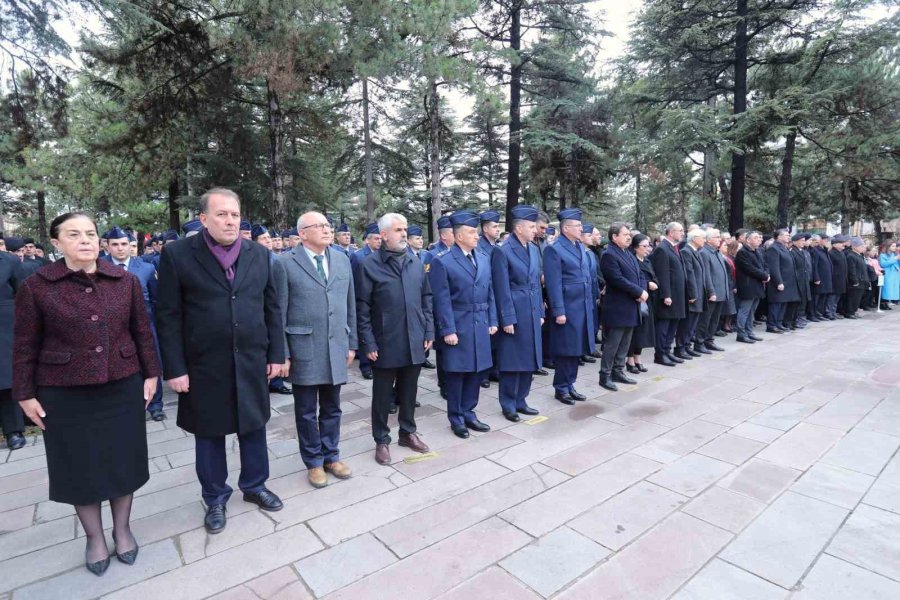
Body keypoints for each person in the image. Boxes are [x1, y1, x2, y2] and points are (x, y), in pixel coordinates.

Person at [14, 212, 160, 575]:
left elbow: (142, 331)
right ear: (56, 242)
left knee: (122, 460)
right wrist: (25, 393)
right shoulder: (37, 286)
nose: (85, 240)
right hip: (63, 393)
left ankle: (122, 529)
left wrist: (151, 373)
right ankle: (94, 537)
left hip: (122, 383)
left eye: (90, 234)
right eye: (74, 234)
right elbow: (24, 345)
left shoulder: (123, 281)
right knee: (79, 467)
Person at [156, 188, 285, 534]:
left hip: (251, 360)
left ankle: (255, 485)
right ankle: (214, 497)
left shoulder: (258, 254)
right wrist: (175, 368)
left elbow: (271, 306)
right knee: (209, 432)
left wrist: (277, 353)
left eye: (235, 214)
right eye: (222, 214)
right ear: (204, 219)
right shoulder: (178, 255)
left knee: (254, 425)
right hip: (203, 364)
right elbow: (167, 316)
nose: (230, 221)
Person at [275, 212, 356, 488]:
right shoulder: (285, 264)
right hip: (303, 348)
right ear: (303, 233)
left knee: (333, 407)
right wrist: (282, 353)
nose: (326, 230)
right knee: (307, 410)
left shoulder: (343, 260)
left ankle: (332, 455)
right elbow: (279, 313)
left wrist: (352, 343)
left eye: (327, 225)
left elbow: (350, 306)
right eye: (319, 226)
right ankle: (313, 461)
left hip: (336, 346)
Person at [356, 213, 433, 463]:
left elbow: (426, 299)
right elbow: (362, 307)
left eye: (405, 230)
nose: (403, 234)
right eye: (398, 230)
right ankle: (381, 439)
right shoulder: (369, 265)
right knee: (382, 395)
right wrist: (368, 342)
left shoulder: (414, 261)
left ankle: (407, 432)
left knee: (409, 390)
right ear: (384, 235)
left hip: (414, 338)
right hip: (385, 341)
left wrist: (428, 331)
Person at [428, 211, 497, 438]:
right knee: (458, 374)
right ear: (458, 236)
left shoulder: (484, 258)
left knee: (477, 371)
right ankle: (456, 417)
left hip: (480, 323)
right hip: (459, 324)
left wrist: (493, 319)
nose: (476, 236)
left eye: (476, 232)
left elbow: (490, 292)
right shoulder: (443, 261)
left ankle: (469, 412)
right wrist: (448, 329)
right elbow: (441, 298)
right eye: (471, 232)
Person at [102, 226, 166, 421]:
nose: (120, 248)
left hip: (145, 325)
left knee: (151, 362)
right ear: (107, 246)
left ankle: (155, 405)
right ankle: (128, 404)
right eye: (115, 245)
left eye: (124, 244)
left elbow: (156, 298)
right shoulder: (99, 266)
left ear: (131, 246)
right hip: (114, 328)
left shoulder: (146, 267)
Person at [491, 205, 543, 421]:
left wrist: (540, 310)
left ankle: (522, 399)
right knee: (512, 361)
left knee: (529, 359)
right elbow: (500, 287)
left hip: (531, 310)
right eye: (531, 226)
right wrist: (507, 318)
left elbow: (536, 284)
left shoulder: (532, 248)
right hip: (515, 311)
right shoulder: (502, 250)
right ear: (518, 228)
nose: (535, 230)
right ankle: (508, 403)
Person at [543, 208, 595, 404]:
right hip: (567, 306)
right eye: (577, 225)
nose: (581, 228)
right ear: (565, 228)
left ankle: (570, 384)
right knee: (566, 349)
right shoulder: (554, 249)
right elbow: (553, 283)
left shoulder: (578, 246)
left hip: (582, 306)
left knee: (576, 349)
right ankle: (561, 387)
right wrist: (559, 310)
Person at [597, 223, 647, 391]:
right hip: (618, 306)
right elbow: (616, 279)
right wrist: (638, 291)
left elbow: (640, 274)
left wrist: (642, 291)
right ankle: (605, 375)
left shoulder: (628, 253)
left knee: (625, 342)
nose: (628, 237)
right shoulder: (608, 254)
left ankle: (618, 371)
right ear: (614, 237)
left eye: (629, 234)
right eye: (625, 234)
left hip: (631, 304)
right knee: (613, 343)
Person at [424, 215, 455, 393]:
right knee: (443, 349)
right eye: (452, 232)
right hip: (439, 308)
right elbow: (429, 283)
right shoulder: (433, 254)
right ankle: (444, 384)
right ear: (444, 235)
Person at [649, 223, 687, 366]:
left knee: (672, 325)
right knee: (664, 326)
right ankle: (660, 354)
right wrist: (666, 295)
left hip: (677, 295)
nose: (682, 233)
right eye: (680, 231)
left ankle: (667, 351)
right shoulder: (662, 249)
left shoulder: (673, 247)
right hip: (668, 296)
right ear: (671, 232)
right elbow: (662, 274)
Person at [0, 247, 26, 450]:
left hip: (4, 328)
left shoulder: (9, 261)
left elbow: (23, 293)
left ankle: (13, 431)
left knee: (6, 382)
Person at [351, 223, 382, 380]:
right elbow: (355, 280)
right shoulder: (358, 256)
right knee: (363, 330)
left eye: (380, 238)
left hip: (377, 300)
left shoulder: (382, 255)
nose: (379, 241)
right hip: (361, 298)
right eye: (376, 239)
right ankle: (365, 365)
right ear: (368, 240)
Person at [626, 234, 657, 373]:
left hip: (648, 299)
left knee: (644, 332)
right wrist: (646, 284)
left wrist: (655, 283)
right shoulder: (632, 261)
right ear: (636, 247)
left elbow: (655, 276)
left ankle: (638, 358)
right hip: (636, 299)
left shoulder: (647, 261)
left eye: (648, 245)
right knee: (635, 332)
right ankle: (630, 360)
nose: (647, 248)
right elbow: (633, 280)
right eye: (644, 246)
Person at [477, 210, 501, 387]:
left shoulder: (495, 245)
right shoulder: (479, 247)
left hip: (497, 295)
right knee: (486, 337)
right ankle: (483, 374)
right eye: (495, 226)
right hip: (486, 294)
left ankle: (494, 369)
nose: (498, 229)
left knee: (496, 334)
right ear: (485, 229)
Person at [676, 228, 706, 359]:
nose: (704, 240)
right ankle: (680, 347)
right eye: (702, 238)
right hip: (692, 294)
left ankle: (687, 346)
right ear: (694, 239)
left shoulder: (696, 251)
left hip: (698, 292)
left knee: (693, 323)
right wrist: (692, 294)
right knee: (687, 323)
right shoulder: (686, 252)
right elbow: (689, 274)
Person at [697, 228, 729, 352]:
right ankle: (699, 343)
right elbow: (706, 275)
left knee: (714, 320)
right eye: (716, 237)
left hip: (720, 292)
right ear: (709, 239)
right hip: (712, 293)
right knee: (705, 320)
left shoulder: (716, 252)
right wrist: (711, 291)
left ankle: (709, 340)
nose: (719, 239)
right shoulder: (704, 252)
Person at [734, 231, 769, 343]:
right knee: (744, 311)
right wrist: (764, 276)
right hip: (747, 286)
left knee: (751, 311)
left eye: (759, 238)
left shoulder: (758, 251)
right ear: (748, 240)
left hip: (758, 284)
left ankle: (749, 332)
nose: (759, 239)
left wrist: (767, 274)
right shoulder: (742, 252)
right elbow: (749, 268)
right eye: (755, 238)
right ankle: (741, 333)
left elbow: (765, 265)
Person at [765, 229, 800, 333]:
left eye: (789, 235)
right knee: (776, 304)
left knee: (783, 303)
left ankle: (779, 323)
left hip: (788, 282)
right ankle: (771, 325)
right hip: (779, 282)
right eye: (786, 235)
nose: (789, 237)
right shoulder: (774, 248)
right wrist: (778, 282)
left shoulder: (783, 247)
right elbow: (774, 267)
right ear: (779, 237)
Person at [844, 237, 869, 318]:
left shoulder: (860, 255)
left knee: (857, 298)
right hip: (856, 281)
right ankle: (849, 312)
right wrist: (855, 281)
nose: (863, 248)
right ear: (854, 247)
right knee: (853, 298)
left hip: (862, 280)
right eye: (861, 246)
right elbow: (852, 270)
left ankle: (854, 311)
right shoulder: (851, 255)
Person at [810, 235, 833, 320]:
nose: (827, 242)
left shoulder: (824, 251)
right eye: (826, 240)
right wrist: (816, 278)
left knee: (823, 298)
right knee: (816, 298)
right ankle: (813, 314)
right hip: (820, 279)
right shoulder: (815, 251)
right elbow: (814, 266)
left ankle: (820, 313)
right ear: (820, 241)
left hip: (826, 279)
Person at [827, 235, 849, 319]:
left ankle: (833, 312)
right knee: (832, 297)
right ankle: (829, 312)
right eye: (840, 243)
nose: (843, 245)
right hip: (834, 279)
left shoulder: (841, 253)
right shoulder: (831, 253)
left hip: (841, 279)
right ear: (834, 244)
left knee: (837, 298)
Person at [880, 241, 899, 309]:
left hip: (895, 274)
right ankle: (883, 303)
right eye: (893, 246)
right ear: (888, 246)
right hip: (888, 274)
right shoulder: (883, 255)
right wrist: (894, 259)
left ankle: (887, 302)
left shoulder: (894, 254)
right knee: (887, 289)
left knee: (893, 289)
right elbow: (883, 264)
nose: (895, 248)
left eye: (895, 246)